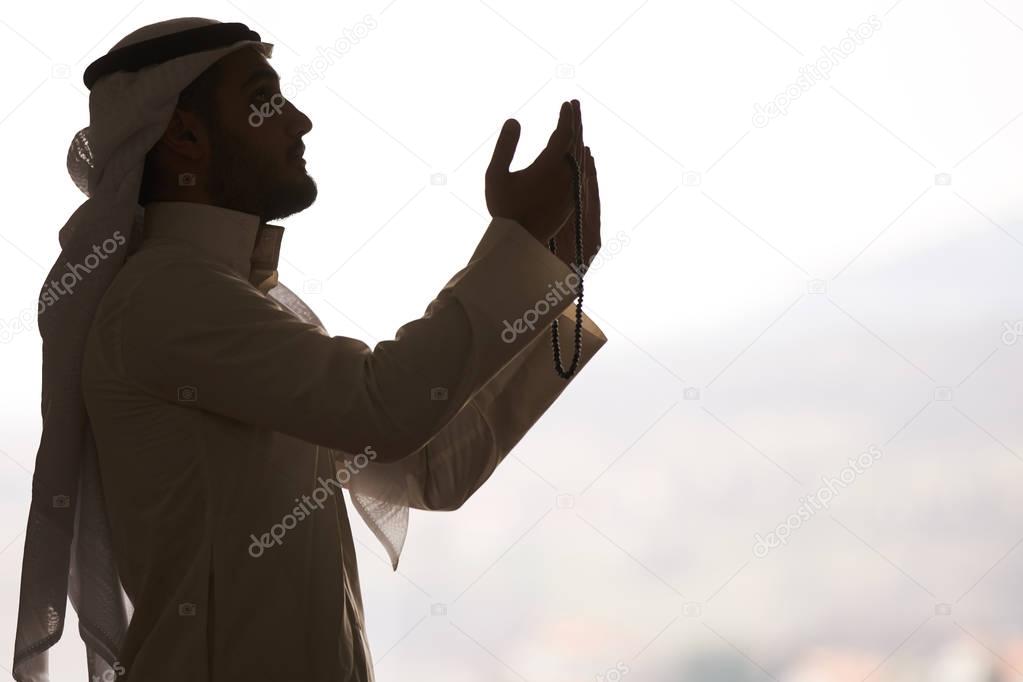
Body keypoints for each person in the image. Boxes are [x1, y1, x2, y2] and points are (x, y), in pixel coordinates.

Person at [13, 17, 606, 682]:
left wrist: (546, 274)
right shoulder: (165, 295)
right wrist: (518, 240)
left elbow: (425, 467)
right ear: (185, 135)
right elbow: (384, 408)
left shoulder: (232, 299)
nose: (300, 121)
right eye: (265, 97)